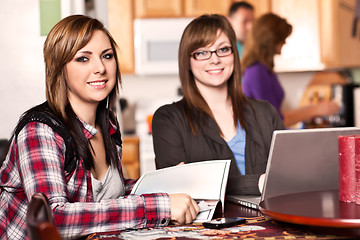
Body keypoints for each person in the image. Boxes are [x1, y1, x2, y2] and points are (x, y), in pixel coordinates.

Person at [0, 15, 199, 240]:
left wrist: (167, 185)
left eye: (107, 56)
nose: (101, 68)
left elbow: (107, 195)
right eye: (83, 59)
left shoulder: (108, 125)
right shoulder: (40, 131)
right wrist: (158, 206)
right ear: (60, 67)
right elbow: (54, 219)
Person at [152, 14, 284, 197]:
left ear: (233, 55)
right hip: (207, 226)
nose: (214, 59)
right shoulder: (168, 120)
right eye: (202, 52)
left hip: (272, 222)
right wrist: (258, 183)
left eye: (223, 49)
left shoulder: (265, 112)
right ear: (188, 61)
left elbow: (286, 177)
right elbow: (179, 190)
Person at [241, 13, 340, 128]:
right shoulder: (256, 72)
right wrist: (316, 110)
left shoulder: (265, 70)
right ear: (271, 39)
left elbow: (276, 115)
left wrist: (313, 109)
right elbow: (273, 121)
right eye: (283, 38)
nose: (285, 42)